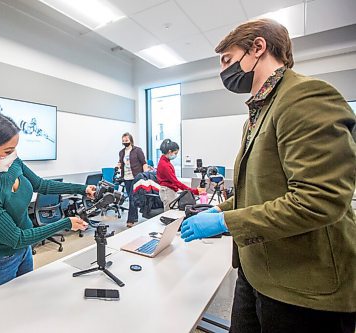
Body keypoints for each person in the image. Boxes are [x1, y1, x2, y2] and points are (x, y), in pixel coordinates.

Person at [180, 18, 355, 332]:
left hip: (303, 287)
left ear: (257, 47)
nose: (224, 71)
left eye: (227, 60)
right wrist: (218, 209)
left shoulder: (305, 97)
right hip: (257, 268)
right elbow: (258, 190)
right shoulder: (257, 115)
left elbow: (319, 200)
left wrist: (224, 222)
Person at [0, 111, 92, 292]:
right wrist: (66, 223)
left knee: (25, 297)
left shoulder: (13, 163)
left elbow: (41, 185)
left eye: (14, 148)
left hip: (24, 251)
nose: (13, 154)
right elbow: (17, 238)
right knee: (0, 312)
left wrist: (81, 189)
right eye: (8, 151)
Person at [156, 139, 203, 211]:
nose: (176, 155)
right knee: (170, 214)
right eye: (175, 153)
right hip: (167, 192)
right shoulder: (164, 165)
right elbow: (176, 182)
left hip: (170, 190)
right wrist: (194, 191)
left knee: (173, 212)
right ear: (169, 151)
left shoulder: (166, 162)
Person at [117, 132, 148, 227]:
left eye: (126, 140)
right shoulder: (121, 152)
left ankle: (130, 220)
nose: (125, 142)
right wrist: (118, 166)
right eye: (123, 141)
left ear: (131, 140)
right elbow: (120, 163)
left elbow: (144, 163)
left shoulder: (137, 150)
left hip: (136, 177)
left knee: (131, 197)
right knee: (133, 198)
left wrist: (145, 174)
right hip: (126, 178)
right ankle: (134, 217)